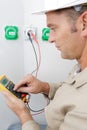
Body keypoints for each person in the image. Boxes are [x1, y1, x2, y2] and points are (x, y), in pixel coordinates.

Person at [1, 0, 87, 130]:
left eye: (53, 28)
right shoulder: (80, 68)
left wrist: (23, 115)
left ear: (84, 24)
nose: (50, 38)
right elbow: (73, 91)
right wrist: (45, 87)